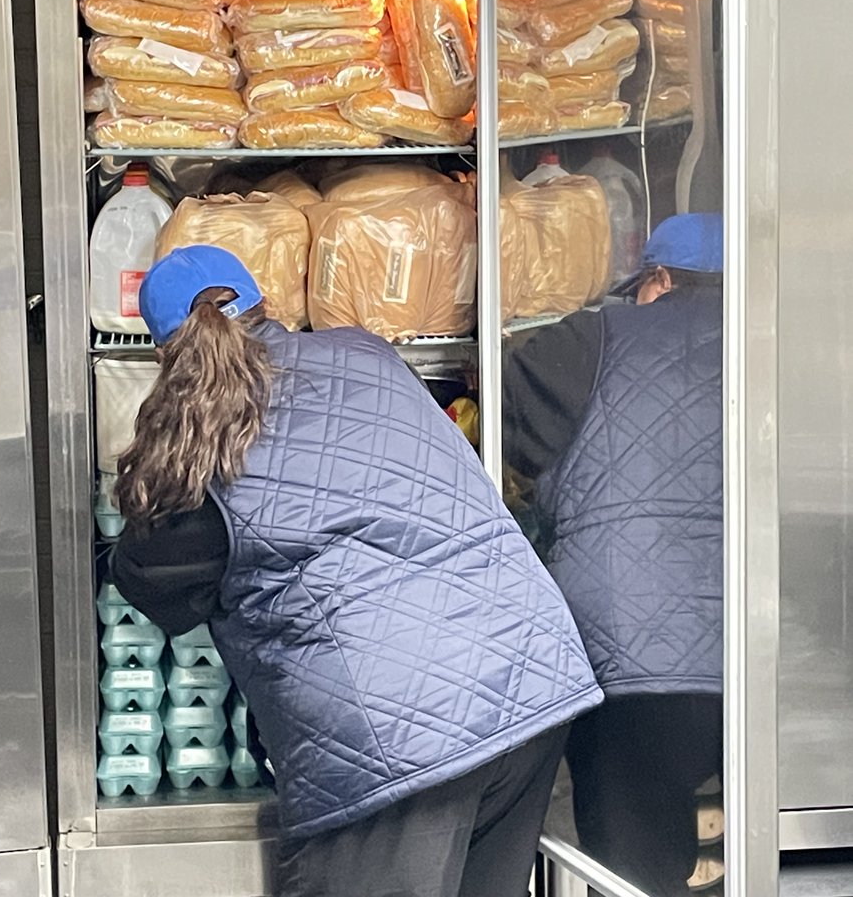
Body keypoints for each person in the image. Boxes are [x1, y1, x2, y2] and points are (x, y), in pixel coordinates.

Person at [110, 244, 603, 897]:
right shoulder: (366, 354)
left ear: (163, 355)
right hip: (531, 682)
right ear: (268, 305)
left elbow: (154, 586)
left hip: (395, 740)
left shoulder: (198, 445)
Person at [502, 213, 724, 897]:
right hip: (762, 651)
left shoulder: (591, 337)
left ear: (656, 280)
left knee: (636, 869)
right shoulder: (775, 339)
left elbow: (510, 432)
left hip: (624, 649)